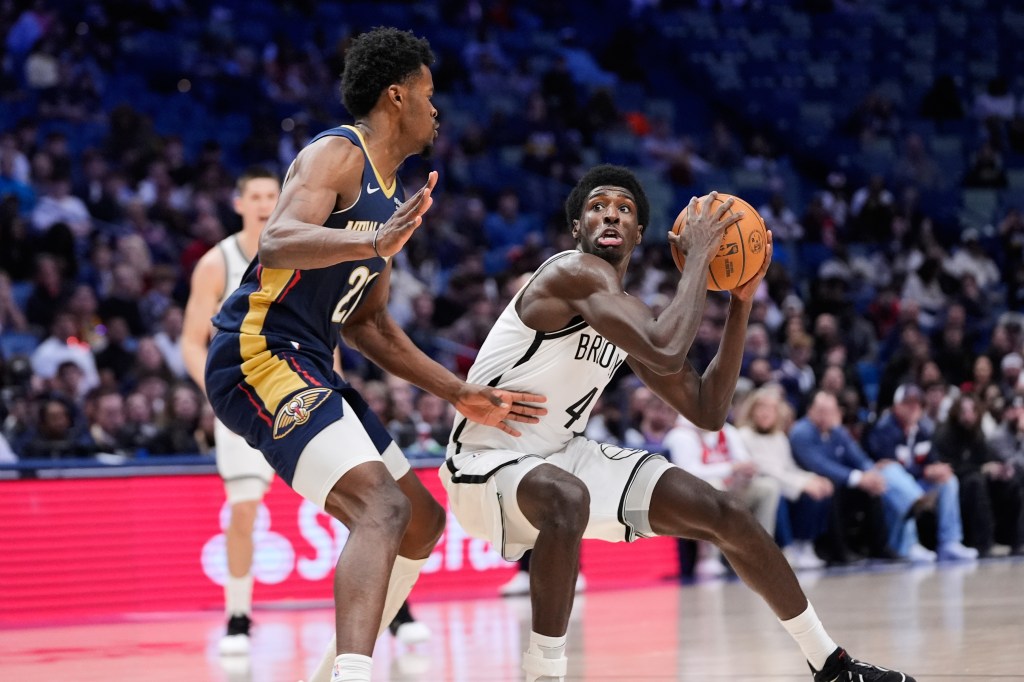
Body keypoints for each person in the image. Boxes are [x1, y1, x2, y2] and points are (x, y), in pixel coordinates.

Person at [441, 165, 914, 682]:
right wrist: (704, 257)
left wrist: (740, 302)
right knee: (568, 496)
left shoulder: (627, 315)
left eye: (625, 209)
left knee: (725, 514)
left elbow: (708, 409)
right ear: (577, 228)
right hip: (486, 459)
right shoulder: (569, 273)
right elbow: (667, 350)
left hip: (560, 455)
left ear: (641, 235)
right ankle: (543, 675)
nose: (611, 214)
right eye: (597, 206)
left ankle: (831, 664)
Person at [202, 27, 545, 682]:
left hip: (309, 358)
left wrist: (456, 391)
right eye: (428, 93)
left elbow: (369, 324)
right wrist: (371, 241)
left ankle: (332, 671)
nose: (436, 109)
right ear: (397, 96)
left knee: (420, 522)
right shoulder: (338, 151)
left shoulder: (391, 197)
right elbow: (276, 242)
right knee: (380, 509)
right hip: (255, 352)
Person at [181, 167, 282, 654]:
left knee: (354, 499)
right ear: (239, 202)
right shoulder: (216, 262)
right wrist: (216, 389)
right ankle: (238, 615)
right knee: (243, 511)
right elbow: (190, 341)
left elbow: (324, 336)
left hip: (297, 393)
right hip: (241, 401)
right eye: (256, 195)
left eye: (272, 195)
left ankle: (397, 612)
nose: (264, 203)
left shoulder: (302, 253)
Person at [791, 391, 933, 563]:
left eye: (830, 411)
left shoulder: (836, 431)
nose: (825, 416)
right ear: (810, 410)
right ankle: (841, 552)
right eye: (821, 410)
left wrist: (871, 473)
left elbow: (858, 457)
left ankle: (880, 547)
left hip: (842, 482)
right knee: (836, 487)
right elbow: (820, 466)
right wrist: (859, 478)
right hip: (814, 484)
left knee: (876, 485)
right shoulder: (801, 431)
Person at [865, 383, 978, 561]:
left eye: (918, 403)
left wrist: (937, 469)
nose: (914, 407)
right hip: (888, 486)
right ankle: (908, 545)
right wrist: (925, 471)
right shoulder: (883, 429)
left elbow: (930, 460)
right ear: (897, 406)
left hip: (916, 485)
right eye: (908, 403)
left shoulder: (922, 431)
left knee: (948, 480)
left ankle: (950, 542)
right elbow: (887, 464)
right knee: (898, 478)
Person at [735, 386, 833, 570]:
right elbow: (764, 470)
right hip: (761, 488)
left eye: (770, 409)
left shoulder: (779, 437)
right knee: (776, 492)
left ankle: (805, 545)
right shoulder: (744, 436)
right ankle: (786, 547)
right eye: (761, 407)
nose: (765, 413)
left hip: (787, 484)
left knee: (820, 489)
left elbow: (790, 468)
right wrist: (803, 484)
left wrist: (813, 478)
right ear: (752, 410)